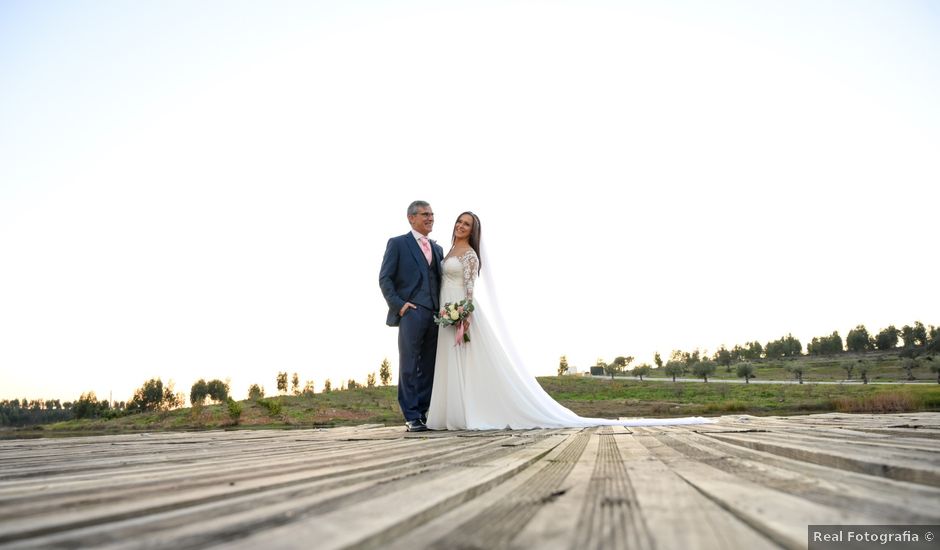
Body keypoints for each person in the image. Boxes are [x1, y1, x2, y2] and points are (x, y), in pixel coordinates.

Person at [426, 211, 712, 430]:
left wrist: (463, 314)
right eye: (459, 222)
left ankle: (471, 414)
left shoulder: (470, 255)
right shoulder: (448, 251)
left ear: (474, 231)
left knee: (466, 361)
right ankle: (451, 413)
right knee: (451, 362)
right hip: (445, 311)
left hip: (462, 312)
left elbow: (471, 288)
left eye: (467, 225)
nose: (461, 226)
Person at [379, 201, 444, 432]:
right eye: (425, 214)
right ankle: (411, 416)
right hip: (411, 312)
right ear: (411, 218)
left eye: (432, 214)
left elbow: (438, 280)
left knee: (429, 366)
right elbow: (385, 278)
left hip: (435, 314)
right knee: (409, 364)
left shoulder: (437, 249)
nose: (430, 218)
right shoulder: (398, 244)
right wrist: (399, 305)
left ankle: (424, 412)